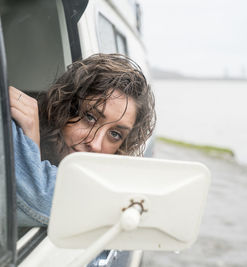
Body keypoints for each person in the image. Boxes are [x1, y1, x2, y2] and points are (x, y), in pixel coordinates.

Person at [9, 53, 156, 226]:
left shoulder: (107, 195)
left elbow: (44, 198)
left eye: (115, 134)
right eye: (90, 117)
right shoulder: (15, 128)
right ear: (61, 106)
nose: (95, 144)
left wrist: (31, 144)